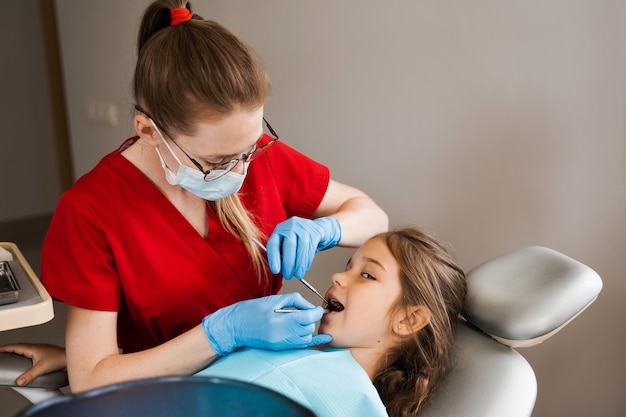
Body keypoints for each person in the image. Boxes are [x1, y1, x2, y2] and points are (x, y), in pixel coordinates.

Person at [0, 1, 387, 392]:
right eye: (216, 161)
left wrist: (323, 229)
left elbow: (373, 217)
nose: (240, 172)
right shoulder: (91, 211)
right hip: (166, 397)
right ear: (148, 131)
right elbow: (92, 379)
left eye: (248, 150)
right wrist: (221, 333)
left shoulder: (262, 157)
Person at [196, 227, 467, 417]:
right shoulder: (279, 348)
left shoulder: (358, 406)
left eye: (368, 275)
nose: (338, 276)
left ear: (408, 320)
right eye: (348, 267)